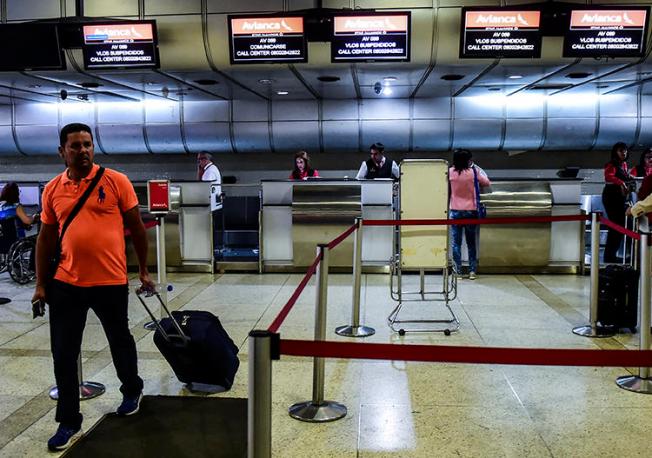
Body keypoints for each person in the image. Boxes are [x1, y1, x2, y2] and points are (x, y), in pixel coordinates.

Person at [31, 123, 155, 452]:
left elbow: (137, 229)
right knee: (64, 353)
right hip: (66, 284)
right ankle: (69, 420)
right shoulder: (53, 189)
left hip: (110, 282)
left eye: (87, 144)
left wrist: (143, 270)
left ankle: (131, 389)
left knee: (120, 341)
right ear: (62, 152)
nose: (83, 150)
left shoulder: (116, 181)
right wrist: (41, 284)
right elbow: (45, 239)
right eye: (75, 146)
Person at [448, 149, 490, 280]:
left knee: (456, 243)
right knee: (471, 243)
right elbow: (487, 182)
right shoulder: (473, 172)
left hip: (455, 211)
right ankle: (472, 271)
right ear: (468, 160)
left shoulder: (450, 172)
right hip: (471, 211)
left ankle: (458, 271)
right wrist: (474, 166)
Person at [602, 142, 633, 263]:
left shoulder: (623, 164)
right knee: (615, 226)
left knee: (619, 226)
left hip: (620, 197)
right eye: (621, 151)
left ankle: (612, 254)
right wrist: (621, 182)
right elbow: (609, 177)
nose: (624, 153)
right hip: (611, 197)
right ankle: (609, 255)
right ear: (615, 152)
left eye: (625, 150)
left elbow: (623, 176)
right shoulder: (611, 164)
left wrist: (628, 177)